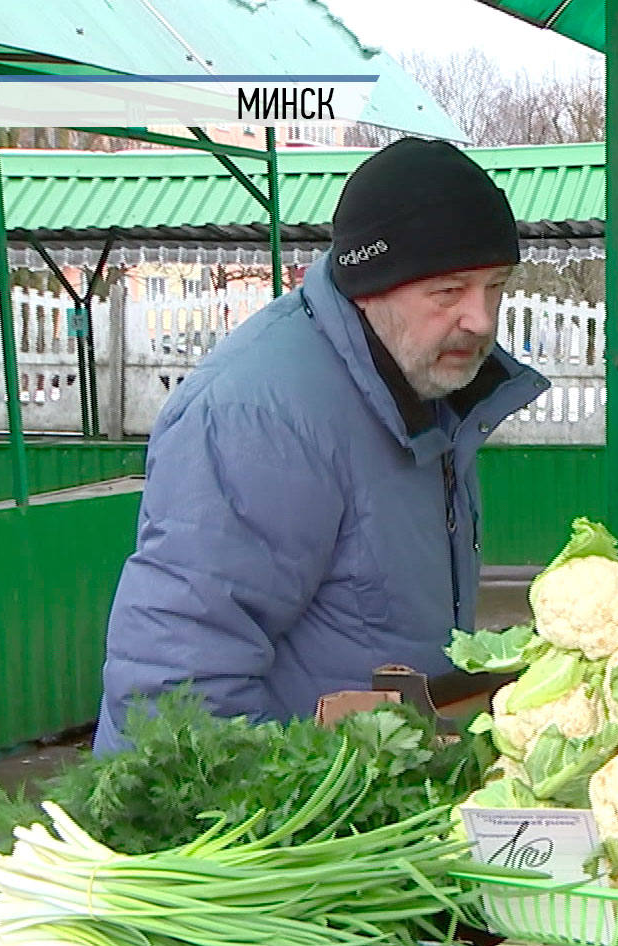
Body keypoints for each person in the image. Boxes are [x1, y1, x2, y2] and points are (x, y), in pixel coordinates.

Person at [95, 138, 549, 750]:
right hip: (290, 824)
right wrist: (274, 829)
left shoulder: (429, 383)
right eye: (449, 292)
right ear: (371, 285)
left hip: (379, 807)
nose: (482, 319)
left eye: (494, 286)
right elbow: (177, 684)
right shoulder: (256, 414)